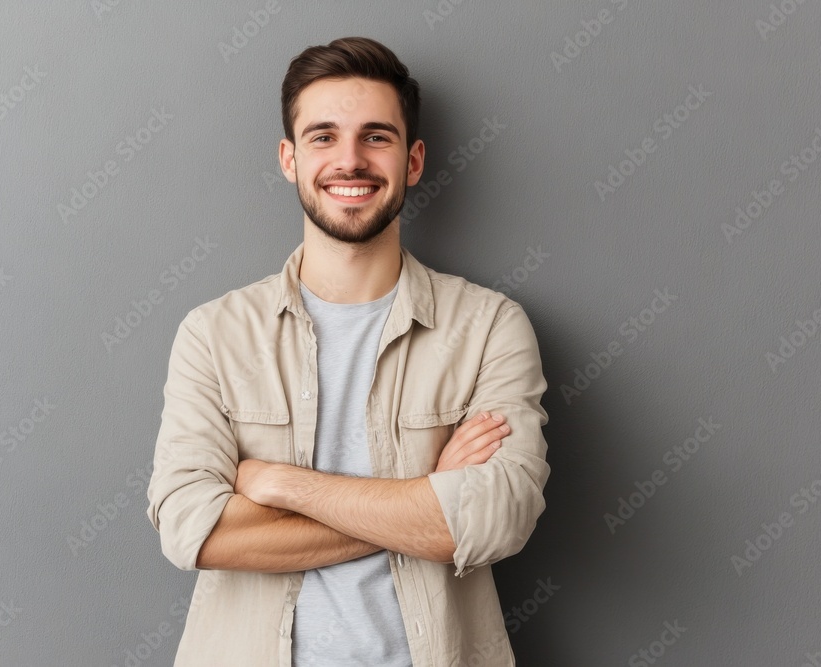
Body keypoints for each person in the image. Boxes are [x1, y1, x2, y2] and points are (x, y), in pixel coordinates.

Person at [146, 36, 551, 667]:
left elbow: (496, 519)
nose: (350, 160)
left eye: (376, 136)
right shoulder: (213, 334)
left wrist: (280, 484)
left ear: (413, 160)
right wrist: (427, 495)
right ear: (290, 158)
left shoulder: (490, 326)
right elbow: (193, 529)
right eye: (323, 136)